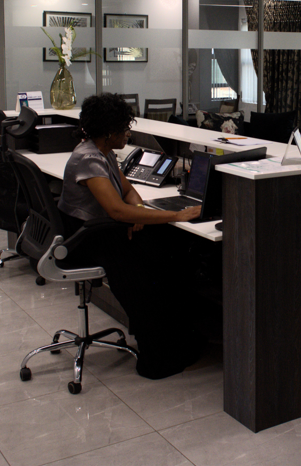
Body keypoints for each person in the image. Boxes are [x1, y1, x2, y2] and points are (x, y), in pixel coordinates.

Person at [57, 92, 207, 379]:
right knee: (154, 262)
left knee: (164, 250)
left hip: (99, 230)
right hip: (85, 239)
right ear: (109, 132)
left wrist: (137, 211)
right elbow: (116, 211)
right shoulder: (88, 159)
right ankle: (160, 353)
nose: (128, 133)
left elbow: (127, 192)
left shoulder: (102, 152)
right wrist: (175, 215)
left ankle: (175, 336)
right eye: (124, 128)